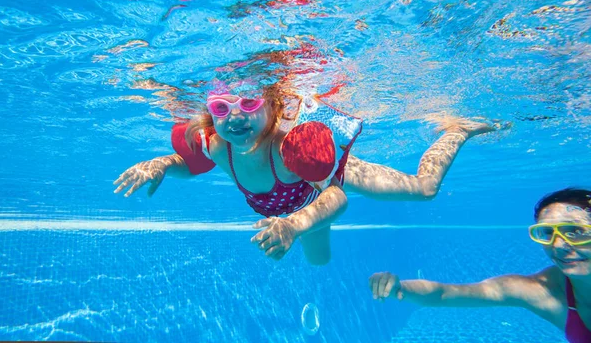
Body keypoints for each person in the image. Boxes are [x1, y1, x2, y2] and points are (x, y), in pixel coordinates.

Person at [114, 82, 497, 265]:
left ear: (274, 106)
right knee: (320, 262)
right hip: (291, 213)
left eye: (249, 103)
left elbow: (336, 196)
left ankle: (457, 130)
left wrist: (294, 226)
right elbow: (191, 167)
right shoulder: (218, 147)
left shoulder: (284, 149)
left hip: (324, 184)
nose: (235, 117)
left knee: (425, 188)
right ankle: (299, 230)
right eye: (221, 107)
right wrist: (162, 164)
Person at [369, 188, 591, 343]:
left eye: (576, 231)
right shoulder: (545, 292)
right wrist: (400, 289)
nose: (560, 245)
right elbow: (445, 294)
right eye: (547, 233)